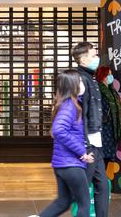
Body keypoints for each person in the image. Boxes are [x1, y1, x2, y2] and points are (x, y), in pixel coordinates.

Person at [37, 69, 94, 217]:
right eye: (80, 81)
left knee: (63, 202)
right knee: (84, 204)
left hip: (62, 164)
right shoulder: (70, 106)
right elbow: (59, 130)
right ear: (72, 85)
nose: (83, 84)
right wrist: (82, 152)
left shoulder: (67, 104)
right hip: (71, 165)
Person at [72, 42, 110, 217]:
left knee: (102, 184)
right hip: (87, 141)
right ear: (84, 59)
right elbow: (77, 112)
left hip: (96, 140)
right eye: (94, 55)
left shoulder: (91, 78)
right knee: (84, 184)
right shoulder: (79, 80)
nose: (97, 58)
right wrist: (83, 141)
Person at [95, 66, 121, 164]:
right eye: (109, 74)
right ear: (103, 76)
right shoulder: (98, 90)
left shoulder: (112, 91)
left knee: (106, 158)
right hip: (103, 129)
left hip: (111, 130)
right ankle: (100, 179)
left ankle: (100, 178)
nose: (111, 77)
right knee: (102, 158)